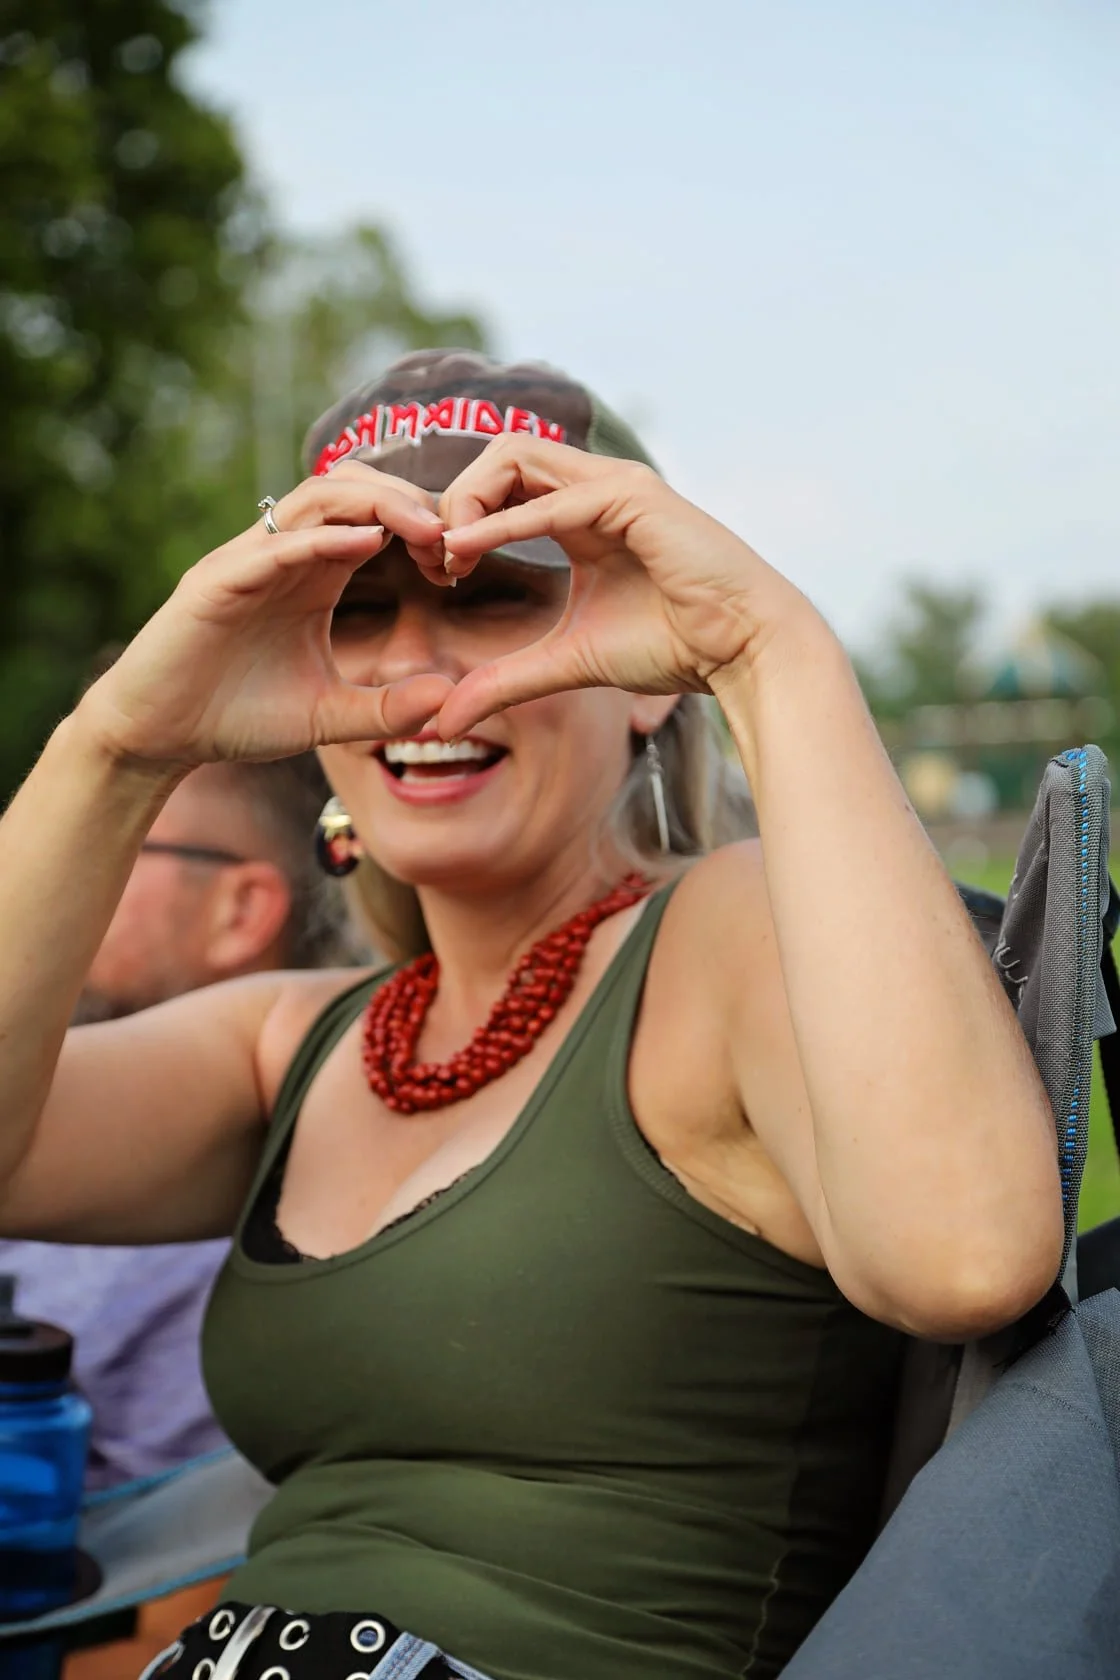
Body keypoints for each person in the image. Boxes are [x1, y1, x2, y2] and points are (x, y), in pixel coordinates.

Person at [0, 350, 1062, 1680]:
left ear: (646, 669)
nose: (419, 672)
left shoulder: (718, 940)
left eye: (496, 593)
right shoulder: (296, 1043)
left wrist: (763, 649)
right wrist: (121, 747)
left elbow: (962, 1260)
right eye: (355, 609)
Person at [0, 753, 366, 1490]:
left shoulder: (247, 1235)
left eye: (109, 832)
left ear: (240, 911)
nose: (46, 860)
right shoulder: (44, 1122)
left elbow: (183, 1580)